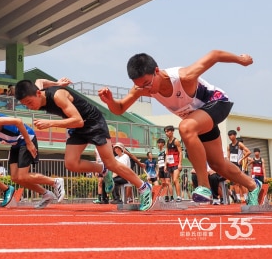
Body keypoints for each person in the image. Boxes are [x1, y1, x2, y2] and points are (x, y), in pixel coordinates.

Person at [98, 50, 261, 205]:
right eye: (140, 86)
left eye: (147, 84)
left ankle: (204, 187)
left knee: (185, 127)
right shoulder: (141, 89)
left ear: (157, 71)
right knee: (217, 163)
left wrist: (241, 60)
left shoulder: (184, 76)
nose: (145, 89)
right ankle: (254, 186)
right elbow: (119, 109)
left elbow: (214, 55)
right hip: (198, 120)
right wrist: (110, 101)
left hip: (217, 103)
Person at [15, 78, 152, 211]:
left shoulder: (58, 96)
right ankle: (102, 169)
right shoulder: (38, 88)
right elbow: (40, 80)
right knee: (71, 163)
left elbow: (78, 120)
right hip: (77, 127)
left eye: (29, 102)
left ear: (38, 94)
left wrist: (50, 123)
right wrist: (57, 82)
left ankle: (144, 187)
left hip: (92, 122)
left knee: (111, 162)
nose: (30, 107)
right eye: (25, 105)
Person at [227, 130, 251, 203]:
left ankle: (246, 197)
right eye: (229, 135)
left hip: (238, 166)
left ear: (235, 135)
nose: (230, 137)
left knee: (241, 182)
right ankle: (237, 198)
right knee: (235, 183)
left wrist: (242, 159)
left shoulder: (239, 144)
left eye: (231, 135)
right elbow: (228, 157)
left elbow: (249, 152)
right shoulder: (229, 146)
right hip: (232, 165)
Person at [164, 125, 183, 202]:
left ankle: (179, 196)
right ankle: (173, 197)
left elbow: (180, 152)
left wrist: (180, 164)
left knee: (175, 180)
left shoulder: (176, 141)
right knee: (171, 181)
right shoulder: (167, 142)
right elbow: (167, 154)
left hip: (176, 163)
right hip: (170, 164)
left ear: (172, 132)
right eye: (165, 132)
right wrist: (165, 165)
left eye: (168, 131)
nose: (166, 133)